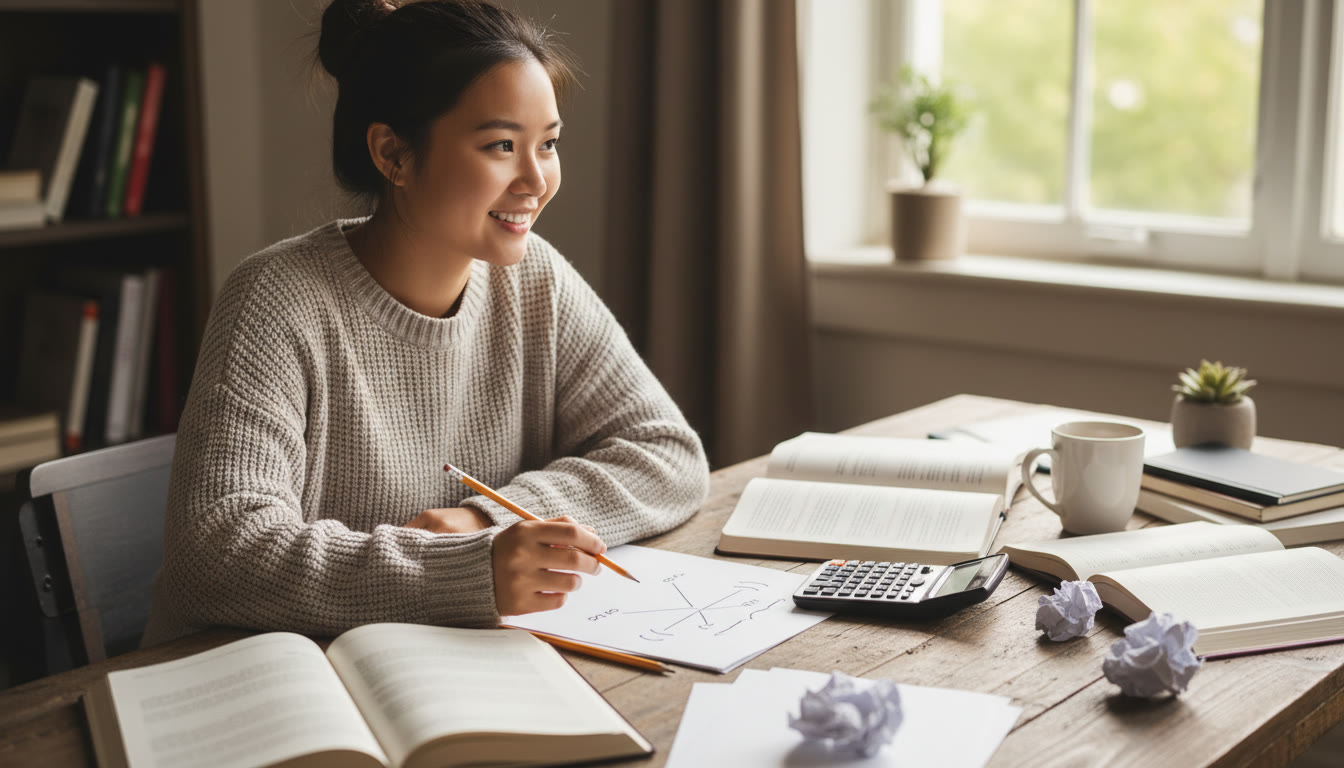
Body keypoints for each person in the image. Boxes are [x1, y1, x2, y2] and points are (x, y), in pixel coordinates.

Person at [142, 0, 709, 644]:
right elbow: (214, 558)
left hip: (433, 660)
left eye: (547, 144)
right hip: (255, 681)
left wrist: (483, 519)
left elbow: (666, 452)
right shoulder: (276, 299)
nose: (536, 180)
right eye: (501, 145)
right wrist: (463, 572)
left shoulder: (533, 279)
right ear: (394, 154)